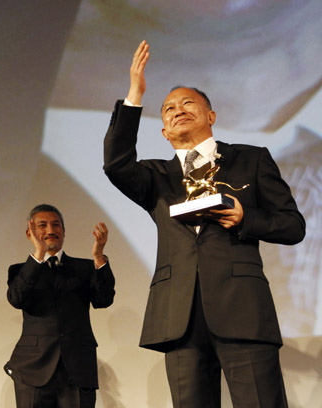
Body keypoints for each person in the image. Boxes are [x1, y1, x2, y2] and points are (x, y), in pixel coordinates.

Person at [103, 40, 306, 407]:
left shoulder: (252, 160)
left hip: (242, 309)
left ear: (210, 116)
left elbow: (293, 226)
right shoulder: (154, 177)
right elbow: (116, 164)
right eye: (168, 109)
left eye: (187, 103)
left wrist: (247, 219)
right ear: (163, 131)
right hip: (178, 315)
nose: (177, 110)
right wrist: (135, 94)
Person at [4, 204, 115, 408]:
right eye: (42, 225)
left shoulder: (85, 268)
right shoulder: (20, 270)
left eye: (56, 225)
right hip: (32, 369)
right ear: (30, 232)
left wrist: (99, 256)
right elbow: (16, 298)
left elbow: (104, 299)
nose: (50, 230)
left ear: (63, 231)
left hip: (77, 368)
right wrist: (38, 254)